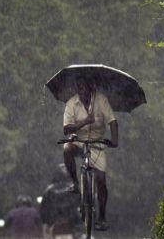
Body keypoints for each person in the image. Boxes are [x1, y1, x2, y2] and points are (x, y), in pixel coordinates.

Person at [63, 75, 118, 231]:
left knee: (101, 180)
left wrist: (114, 141)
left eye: (86, 90)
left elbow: (113, 121)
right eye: (80, 90)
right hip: (78, 140)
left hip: (97, 143)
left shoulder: (101, 101)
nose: (83, 93)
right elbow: (66, 129)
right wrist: (85, 121)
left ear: (92, 89)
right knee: (67, 149)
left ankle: (101, 217)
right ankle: (74, 182)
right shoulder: (71, 103)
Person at [40, 164, 80, 237]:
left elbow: (44, 209)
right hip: (71, 223)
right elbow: (80, 205)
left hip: (54, 223)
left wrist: (46, 222)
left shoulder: (49, 190)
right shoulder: (74, 189)